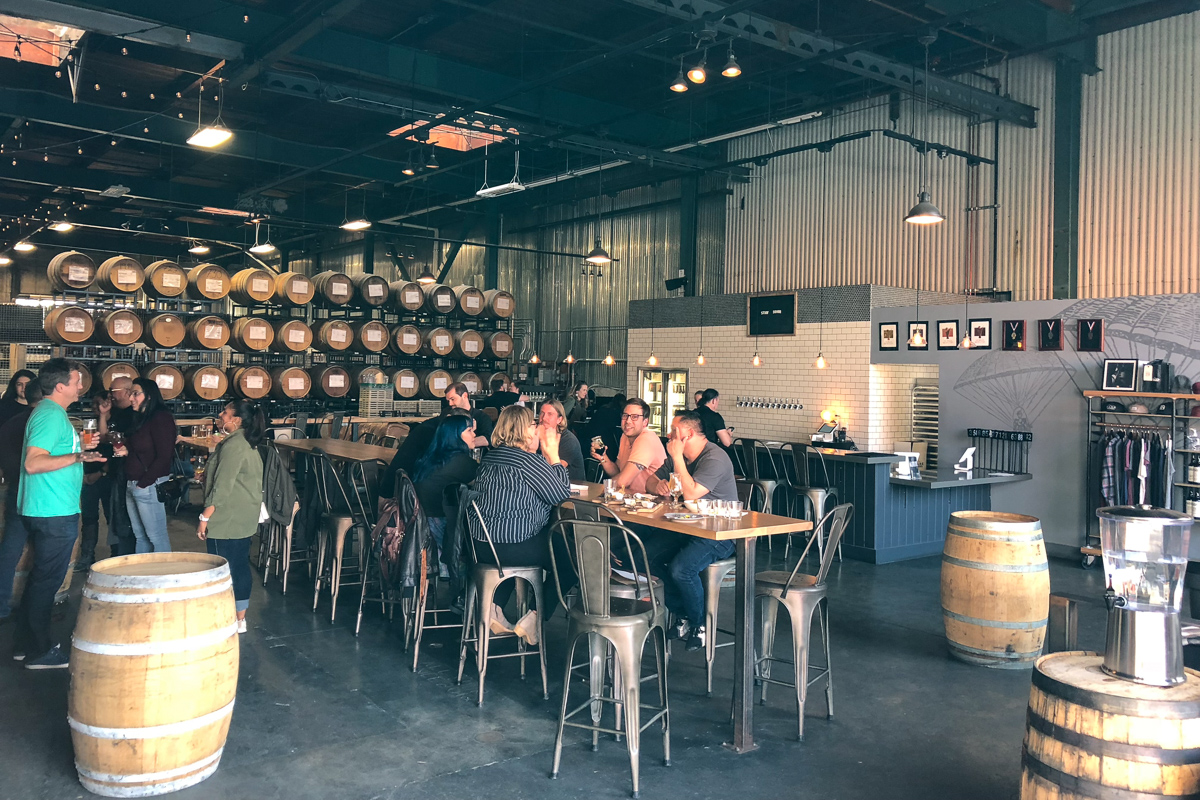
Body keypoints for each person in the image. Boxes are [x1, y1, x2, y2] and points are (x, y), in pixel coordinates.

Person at [13, 359, 105, 668]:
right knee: (46, 582)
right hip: (52, 510)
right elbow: (33, 462)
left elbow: (50, 454)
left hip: (47, 507)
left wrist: (80, 451)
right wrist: (78, 456)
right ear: (61, 386)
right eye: (77, 381)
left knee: (41, 578)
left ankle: (25, 644)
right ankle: (40, 651)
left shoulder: (51, 413)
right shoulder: (50, 415)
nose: (81, 386)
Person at [468, 405, 571, 645]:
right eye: (534, 425)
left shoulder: (490, 457)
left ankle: (494, 608)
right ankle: (535, 617)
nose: (537, 429)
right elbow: (560, 494)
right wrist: (554, 456)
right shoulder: (528, 462)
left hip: (481, 547)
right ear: (523, 430)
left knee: (515, 539)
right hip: (512, 548)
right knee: (570, 561)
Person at [645, 410, 739, 652]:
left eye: (672, 431)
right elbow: (649, 481)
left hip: (720, 532)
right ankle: (684, 612)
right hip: (686, 527)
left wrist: (677, 458)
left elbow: (691, 494)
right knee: (645, 558)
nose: (668, 435)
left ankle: (699, 625)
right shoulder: (679, 457)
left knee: (681, 569)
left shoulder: (714, 457)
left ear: (686, 435)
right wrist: (659, 485)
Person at [197, 399, 265, 634]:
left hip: (227, 516)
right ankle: (239, 619)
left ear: (236, 420)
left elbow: (222, 487)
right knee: (239, 565)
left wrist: (205, 517)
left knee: (222, 568)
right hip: (242, 514)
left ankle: (225, 618)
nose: (220, 415)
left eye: (225, 413)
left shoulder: (234, 445)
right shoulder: (243, 441)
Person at [380, 383, 490, 500]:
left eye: (453, 399)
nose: (450, 403)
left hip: (408, 497)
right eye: (469, 430)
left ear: (465, 396)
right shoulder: (453, 458)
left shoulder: (480, 417)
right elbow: (483, 483)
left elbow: (488, 439)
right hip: (405, 497)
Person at [412, 411, 478, 575]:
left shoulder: (428, 457)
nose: (474, 434)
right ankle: (468, 582)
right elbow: (483, 487)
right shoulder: (462, 463)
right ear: (456, 435)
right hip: (441, 529)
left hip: (419, 524)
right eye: (469, 430)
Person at [0, 378, 43, 621]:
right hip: (40, 493)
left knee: (10, 549)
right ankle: (34, 609)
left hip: (15, 488)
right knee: (44, 551)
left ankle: (2, 605)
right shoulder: (42, 423)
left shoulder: (11, 423)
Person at [117, 379, 177, 553]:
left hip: (148, 485)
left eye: (136, 394)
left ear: (149, 396)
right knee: (140, 536)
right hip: (133, 484)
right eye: (131, 394)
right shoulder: (141, 418)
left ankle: (163, 570)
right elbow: (144, 448)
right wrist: (127, 450)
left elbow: (164, 456)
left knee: (156, 537)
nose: (131, 398)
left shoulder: (161, 418)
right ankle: (144, 570)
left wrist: (144, 483)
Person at [86, 376, 138, 560]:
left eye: (113, 391)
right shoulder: (115, 412)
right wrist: (103, 415)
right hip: (114, 473)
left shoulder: (133, 414)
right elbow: (103, 438)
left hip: (125, 473)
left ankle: (124, 557)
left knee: (122, 518)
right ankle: (116, 555)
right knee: (114, 517)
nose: (110, 395)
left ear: (126, 391)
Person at [592, 398, 666, 494]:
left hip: (653, 500)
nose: (628, 421)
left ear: (645, 422)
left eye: (634, 417)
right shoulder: (625, 437)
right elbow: (618, 472)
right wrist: (603, 458)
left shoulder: (647, 439)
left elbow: (623, 481)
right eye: (625, 416)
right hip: (632, 498)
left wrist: (597, 491)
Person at [538, 399, 585, 482]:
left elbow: (556, 471)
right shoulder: (536, 436)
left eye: (550, 414)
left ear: (559, 420)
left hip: (571, 486)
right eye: (542, 413)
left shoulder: (568, 440)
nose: (544, 418)